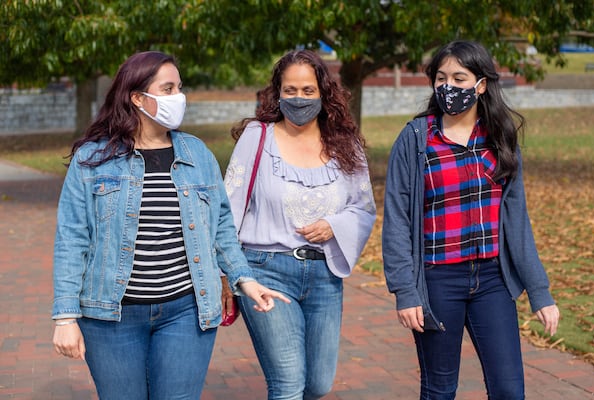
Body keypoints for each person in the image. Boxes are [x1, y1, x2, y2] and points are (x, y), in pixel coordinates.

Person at [51, 50, 289, 400]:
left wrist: (245, 279)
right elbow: (72, 239)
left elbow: (221, 224)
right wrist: (65, 318)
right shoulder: (92, 159)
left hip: (185, 311)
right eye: (168, 88)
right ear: (137, 97)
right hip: (112, 317)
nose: (179, 97)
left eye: (179, 87)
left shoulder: (197, 154)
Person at [382, 40, 560, 400]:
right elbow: (397, 218)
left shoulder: (500, 138)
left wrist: (539, 292)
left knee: (509, 390)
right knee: (439, 390)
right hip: (437, 280)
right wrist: (405, 290)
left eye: (460, 78)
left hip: (493, 281)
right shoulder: (416, 139)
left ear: (480, 85)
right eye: (441, 77)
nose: (449, 86)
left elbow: (517, 220)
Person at [224, 49, 376, 400]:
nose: (298, 98)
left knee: (318, 384)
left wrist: (335, 226)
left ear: (323, 93)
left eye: (308, 91)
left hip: (325, 276)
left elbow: (363, 207)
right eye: (290, 90)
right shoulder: (256, 137)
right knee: (288, 383)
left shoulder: (345, 145)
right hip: (265, 271)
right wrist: (228, 274)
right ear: (277, 93)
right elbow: (226, 209)